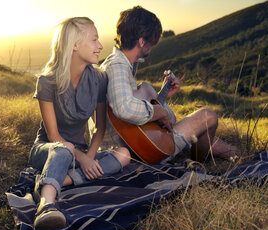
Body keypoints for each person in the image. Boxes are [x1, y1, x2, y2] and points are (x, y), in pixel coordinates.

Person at [28, 17, 131, 230]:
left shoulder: (100, 79)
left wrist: (89, 158)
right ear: (75, 45)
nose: (100, 46)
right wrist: (82, 159)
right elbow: (54, 135)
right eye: (94, 40)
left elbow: (100, 129)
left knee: (123, 155)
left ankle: (53, 182)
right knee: (63, 149)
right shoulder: (47, 81)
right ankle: (46, 205)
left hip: (81, 152)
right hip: (49, 150)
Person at [100, 6, 241, 163]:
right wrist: (160, 111)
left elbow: (130, 105)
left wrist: (162, 96)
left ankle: (234, 154)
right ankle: (198, 165)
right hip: (139, 149)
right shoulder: (117, 66)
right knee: (208, 117)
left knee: (211, 138)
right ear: (141, 41)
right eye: (151, 43)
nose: (152, 47)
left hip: (139, 139)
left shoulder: (122, 64)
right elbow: (124, 108)